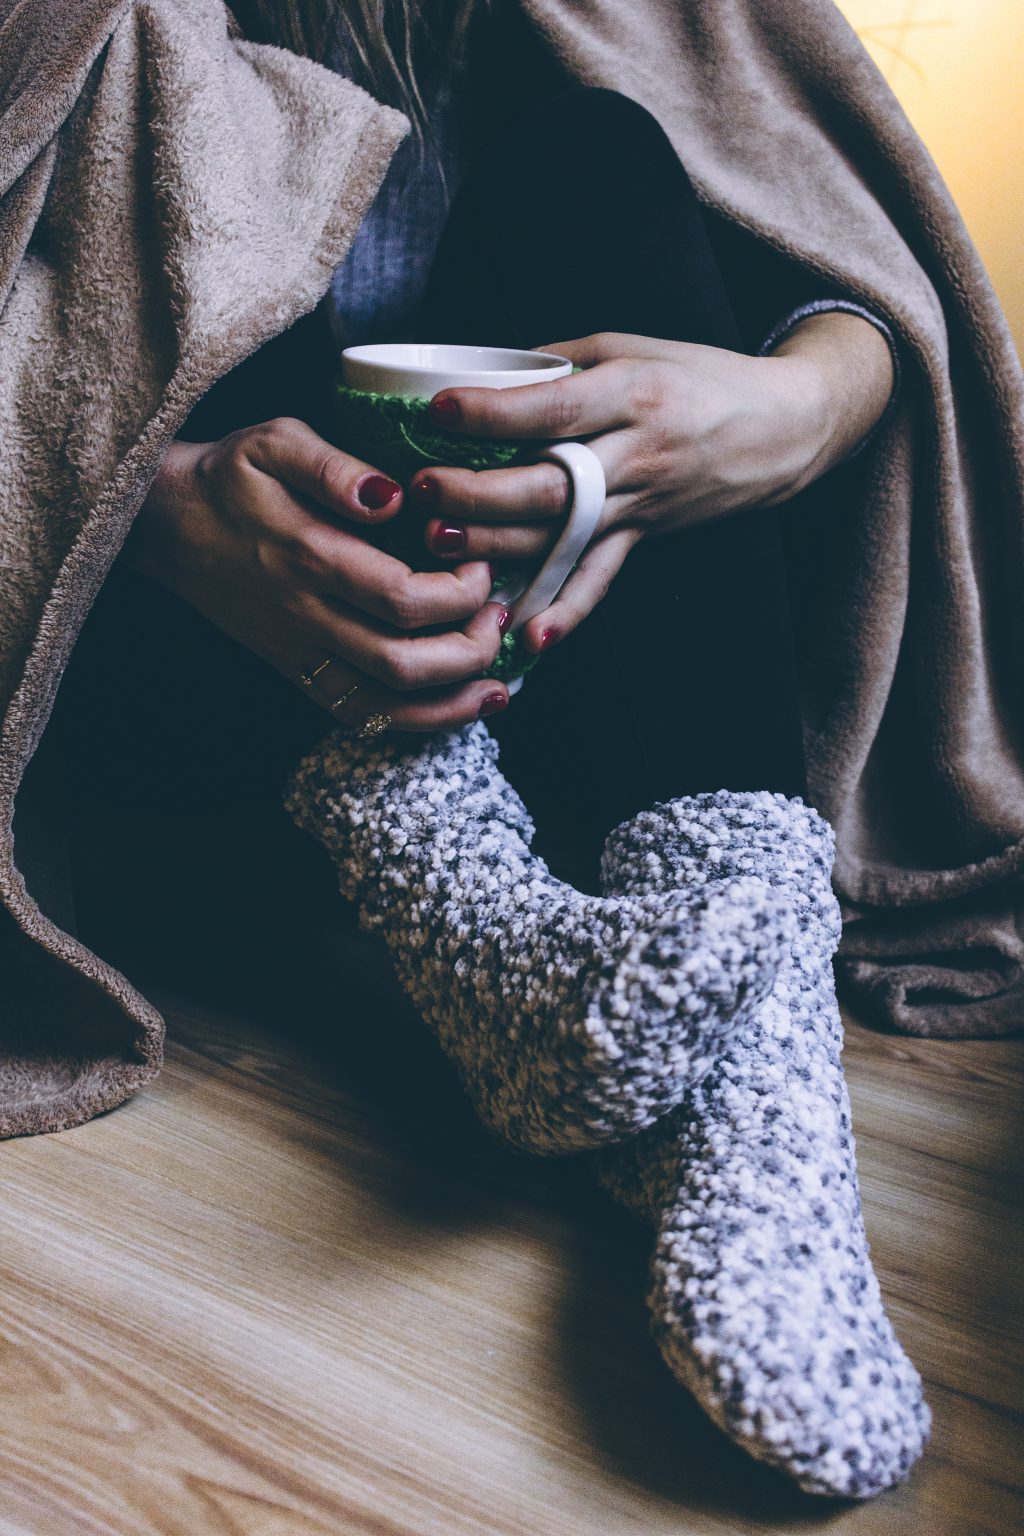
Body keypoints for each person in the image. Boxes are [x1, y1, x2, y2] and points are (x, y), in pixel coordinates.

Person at [50, 0, 929, 1498]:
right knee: (188, 131)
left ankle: (750, 1068)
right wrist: (150, 501)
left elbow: (873, 276)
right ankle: (494, 924)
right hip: (175, 680)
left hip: (574, 671)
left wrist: (789, 404)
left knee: (601, 151)